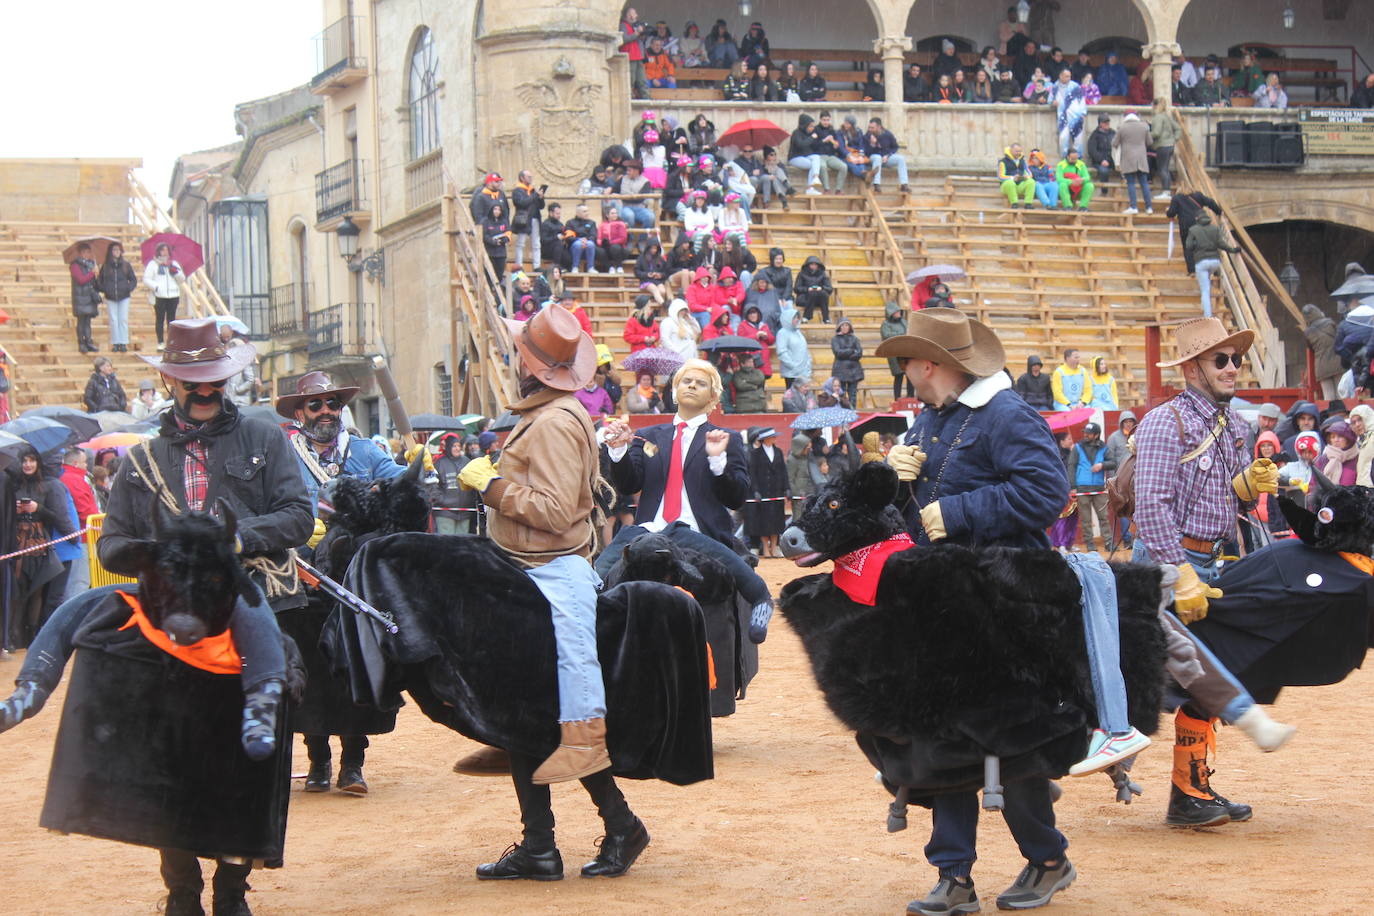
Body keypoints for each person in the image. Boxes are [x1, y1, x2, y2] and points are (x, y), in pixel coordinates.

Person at [95, 317, 311, 910]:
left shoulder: (266, 439)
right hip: (169, 628)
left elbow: (298, 515)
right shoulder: (141, 462)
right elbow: (111, 546)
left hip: (252, 602)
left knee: (249, 762)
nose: (204, 388)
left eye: (213, 376)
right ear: (170, 381)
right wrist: (170, 555)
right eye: (192, 379)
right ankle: (182, 889)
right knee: (172, 763)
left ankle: (232, 886)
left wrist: (235, 542)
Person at [878, 310, 1075, 915]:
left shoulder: (1009, 414)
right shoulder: (933, 421)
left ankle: (1047, 858)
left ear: (931, 365)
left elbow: (1048, 494)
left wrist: (961, 513)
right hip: (943, 602)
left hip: (1005, 602)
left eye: (908, 360)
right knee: (944, 739)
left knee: (1006, 742)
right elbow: (910, 515)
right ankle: (954, 874)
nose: (904, 371)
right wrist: (890, 479)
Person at [454, 305, 651, 881]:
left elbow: (559, 512)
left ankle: (612, 826)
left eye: (519, 353)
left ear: (534, 367)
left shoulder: (557, 421)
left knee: (564, 715)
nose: (512, 359)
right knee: (526, 714)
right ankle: (547, 842)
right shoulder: (546, 415)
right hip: (524, 574)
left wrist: (491, 486)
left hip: (548, 574)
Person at [1133, 317, 1296, 827]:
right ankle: (1027, 765)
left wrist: (1247, 484)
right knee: (1136, 681)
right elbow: (1152, 506)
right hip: (1168, 562)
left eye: (1236, 359)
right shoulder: (1165, 422)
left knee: (1200, 678)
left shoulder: (1233, 425)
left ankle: (1191, 792)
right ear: (1191, 367)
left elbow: (1222, 495)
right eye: (1219, 359)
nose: (1232, 368)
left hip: (1213, 561)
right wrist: (1178, 571)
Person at [276, 370, 405, 795]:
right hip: (302, 578)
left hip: (355, 583)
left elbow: (399, 491)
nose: (327, 411)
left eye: (334, 404)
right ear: (300, 413)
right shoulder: (282, 456)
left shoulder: (366, 452)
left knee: (357, 669)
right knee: (310, 671)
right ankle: (318, 759)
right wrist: (295, 531)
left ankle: (353, 763)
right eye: (316, 404)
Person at [602, 359, 775, 644]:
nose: (692, 385)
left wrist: (717, 461)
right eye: (686, 381)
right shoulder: (645, 435)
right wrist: (618, 452)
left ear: (713, 398)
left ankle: (760, 599)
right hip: (648, 529)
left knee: (728, 561)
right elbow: (629, 484)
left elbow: (736, 496)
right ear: (674, 390)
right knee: (600, 569)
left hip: (697, 530)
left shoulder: (726, 438)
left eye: (701, 383)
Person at [4, 447, 76, 650]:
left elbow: (55, 517)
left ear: (38, 463)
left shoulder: (47, 486)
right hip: (17, 543)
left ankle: (33, 636)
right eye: (24, 461)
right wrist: (15, 510)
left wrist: (38, 508)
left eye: (32, 460)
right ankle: (13, 636)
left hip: (39, 543)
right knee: (17, 590)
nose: (28, 464)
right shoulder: (12, 485)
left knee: (38, 591)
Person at [58, 446, 98, 600]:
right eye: (84, 462)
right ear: (75, 463)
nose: (86, 465)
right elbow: (85, 510)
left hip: (76, 536)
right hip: (82, 536)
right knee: (79, 582)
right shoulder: (74, 479)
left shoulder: (66, 477)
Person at [1071, 422, 1116, 553]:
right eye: (1085, 432)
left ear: (1096, 435)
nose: (1085, 435)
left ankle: (1108, 542)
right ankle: (1090, 544)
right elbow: (1071, 466)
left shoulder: (1104, 447)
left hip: (1098, 488)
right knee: (1086, 519)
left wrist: (1102, 465)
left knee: (1104, 517)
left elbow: (1113, 463)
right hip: (1082, 488)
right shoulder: (1077, 447)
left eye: (1088, 433)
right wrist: (1073, 486)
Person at [1185, 213, 1239, 319]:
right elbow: (1221, 244)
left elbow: (1188, 246)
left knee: (1205, 290)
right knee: (1207, 282)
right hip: (1215, 262)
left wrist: (1197, 244)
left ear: (1197, 219)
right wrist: (1233, 250)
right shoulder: (1215, 228)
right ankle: (1206, 306)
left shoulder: (1193, 230)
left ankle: (1207, 315)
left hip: (1201, 262)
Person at [1165, 186, 1223, 273]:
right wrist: (1218, 212)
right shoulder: (1198, 195)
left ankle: (1192, 270)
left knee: (1187, 248)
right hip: (1199, 224)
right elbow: (1210, 202)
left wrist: (1167, 211)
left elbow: (1171, 213)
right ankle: (1212, 269)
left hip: (1185, 226)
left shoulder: (1177, 198)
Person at [433, 434, 481, 534]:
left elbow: (473, 481)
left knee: (462, 544)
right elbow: (433, 485)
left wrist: (472, 500)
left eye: (459, 446)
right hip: (445, 512)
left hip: (465, 511)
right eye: (454, 446)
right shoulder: (439, 463)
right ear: (449, 447)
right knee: (447, 542)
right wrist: (442, 500)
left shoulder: (466, 461)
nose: (457, 448)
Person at [1104, 410, 1137, 549]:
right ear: (1121, 423)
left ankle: (1135, 538)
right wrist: (1112, 481)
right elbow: (1109, 459)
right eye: (1126, 422)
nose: (1129, 424)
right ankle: (1127, 540)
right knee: (1123, 507)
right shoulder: (1113, 438)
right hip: (1121, 479)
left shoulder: (1139, 436)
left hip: (1136, 478)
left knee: (1136, 509)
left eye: (1131, 422)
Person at [97, 241, 137, 352]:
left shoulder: (126, 265)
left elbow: (133, 279)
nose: (117, 252)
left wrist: (128, 288)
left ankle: (123, 342)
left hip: (124, 296)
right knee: (113, 320)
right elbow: (99, 281)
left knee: (123, 319)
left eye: (118, 250)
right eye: (114, 250)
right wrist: (105, 289)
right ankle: (115, 342)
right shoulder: (105, 266)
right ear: (110, 252)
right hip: (110, 296)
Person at [142, 242, 183, 348]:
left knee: (171, 319)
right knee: (160, 319)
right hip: (159, 295)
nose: (165, 252)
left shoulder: (173, 263)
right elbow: (146, 279)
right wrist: (156, 287)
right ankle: (160, 341)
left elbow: (182, 279)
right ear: (159, 251)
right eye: (162, 250)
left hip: (173, 294)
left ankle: (171, 341)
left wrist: (176, 273)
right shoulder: (153, 264)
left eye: (166, 250)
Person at [1113, 111, 1152, 215]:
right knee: (1144, 183)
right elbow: (1150, 142)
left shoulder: (1122, 127)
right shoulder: (1144, 126)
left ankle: (1133, 206)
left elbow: (1114, 143)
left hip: (1128, 158)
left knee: (1131, 183)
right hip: (1142, 159)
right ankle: (1149, 207)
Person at [1302, 304, 1342, 398]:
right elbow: (1339, 338)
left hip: (1321, 366)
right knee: (1340, 393)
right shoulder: (1330, 323)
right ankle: (1342, 412)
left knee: (1328, 396)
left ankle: (1331, 413)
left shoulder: (1307, 332)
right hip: (1337, 362)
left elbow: (1310, 348)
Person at [861, 117, 909, 193]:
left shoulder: (887, 134)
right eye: (869, 127)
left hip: (885, 158)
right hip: (873, 157)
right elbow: (866, 152)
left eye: (872, 128)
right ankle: (877, 184)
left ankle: (904, 184)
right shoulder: (867, 136)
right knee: (877, 157)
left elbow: (895, 147)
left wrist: (888, 155)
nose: (870, 129)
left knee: (901, 159)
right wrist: (872, 144)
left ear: (879, 127)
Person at [69, 241, 101, 353]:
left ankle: (89, 342)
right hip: (80, 296)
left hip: (89, 296)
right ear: (80, 253)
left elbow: (95, 283)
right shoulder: (75, 265)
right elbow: (81, 279)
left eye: (88, 252)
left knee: (87, 322)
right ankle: (81, 343)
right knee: (81, 321)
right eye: (84, 252)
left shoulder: (92, 264)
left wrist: (97, 275)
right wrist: (92, 273)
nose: (86, 254)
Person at [511, 171, 546, 270]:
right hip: (524, 219)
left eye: (531, 176)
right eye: (528, 176)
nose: (531, 178)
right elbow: (522, 203)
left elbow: (541, 206)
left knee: (536, 244)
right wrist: (535, 196)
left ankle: (537, 266)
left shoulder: (533, 191)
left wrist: (541, 198)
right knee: (521, 243)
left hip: (535, 218)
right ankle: (519, 265)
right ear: (522, 178)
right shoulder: (518, 190)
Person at [1148, 98, 1180, 201]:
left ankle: (1166, 192)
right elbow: (1178, 128)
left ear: (1155, 106)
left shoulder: (1157, 117)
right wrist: (1174, 139)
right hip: (1170, 145)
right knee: (1165, 169)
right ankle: (1167, 191)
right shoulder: (1167, 117)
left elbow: (1156, 132)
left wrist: (1146, 134)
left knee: (1162, 169)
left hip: (1162, 145)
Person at [830, 319, 864, 408]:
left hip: (854, 371)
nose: (845, 327)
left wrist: (847, 354)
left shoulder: (855, 339)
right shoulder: (835, 339)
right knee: (842, 394)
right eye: (842, 325)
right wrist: (851, 351)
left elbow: (859, 353)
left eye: (847, 325)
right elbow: (838, 353)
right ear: (839, 327)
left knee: (853, 394)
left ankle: (853, 411)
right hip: (840, 370)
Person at [776, 306, 811, 390]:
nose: (797, 319)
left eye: (797, 317)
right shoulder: (782, 333)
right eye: (794, 317)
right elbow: (782, 352)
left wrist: (808, 365)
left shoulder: (798, 332)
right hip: (791, 373)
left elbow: (804, 349)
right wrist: (793, 366)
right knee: (792, 398)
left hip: (803, 372)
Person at [619, 7, 649, 98]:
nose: (636, 16)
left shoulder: (632, 26)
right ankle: (628, 98)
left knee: (642, 80)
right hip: (630, 56)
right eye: (634, 13)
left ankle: (646, 98)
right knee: (630, 80)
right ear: (629, 15)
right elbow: (624, 39)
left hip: (638, 56)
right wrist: (637, 33)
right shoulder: (623, 25)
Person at [482, 204, 513, 289]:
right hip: (490, 252)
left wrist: (504, 239)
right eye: (495, 209)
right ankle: (490, 288)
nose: (497, 211)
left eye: (499, 210)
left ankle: (497, 290)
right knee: (489, 273)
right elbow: (484, 235)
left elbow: (508, 233)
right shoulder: (486, 221)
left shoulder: (504, 221)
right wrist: (493, 241)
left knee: (499, 273)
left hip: (501, 253)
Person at [738, 303, 774, 377]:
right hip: (752, 360)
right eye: (750, 313)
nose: (753, 315)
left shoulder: (764, 325)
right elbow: (741, 341)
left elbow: (771, 341)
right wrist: (756, 335)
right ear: (746, 315)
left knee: (763, 381)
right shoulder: (742, 326)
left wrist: (766, 336)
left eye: (754, 313)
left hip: (764, 359)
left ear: (758, 314)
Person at [660, 298, 700, 363]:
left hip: (690, 357)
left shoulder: (685, 322)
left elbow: (698, 330)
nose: (683, 312)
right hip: (676, 358)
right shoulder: (667, 322)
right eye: (682, 310)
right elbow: (665, 339)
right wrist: (676, 352)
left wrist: (691, 319)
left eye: (685, 310)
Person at [795, 256, 832, 323]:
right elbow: (797, 288)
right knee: (812, 293)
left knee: (823, 293)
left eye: (815, 264)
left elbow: (829, 288)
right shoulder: (801, 274)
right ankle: (806, 317)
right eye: (812, 264)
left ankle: (826, 318)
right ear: (808, 265)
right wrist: (807, 289)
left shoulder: (823, 274)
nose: (814, 266)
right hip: (804, 298)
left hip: (819, 299)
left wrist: (821, 288)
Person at [997, 144, 1034, 209]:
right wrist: (1012, 178)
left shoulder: (1022, 161)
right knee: (1010, 183)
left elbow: (1029, 173)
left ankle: (1028, 203)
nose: (1018, 153)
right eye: (1016, 151)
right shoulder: (1003, 162)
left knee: (1031, 182)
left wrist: (1026, 176)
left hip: (1020, 184)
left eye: (1020, 151)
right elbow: (1000, 176)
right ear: (1011, 150)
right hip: (1007, 186)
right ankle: (1014, 203)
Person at [566, 204, 598, 273]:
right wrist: (579, 239)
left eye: (587, 211)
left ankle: (590, 267)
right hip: (574, 246)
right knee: (578, 244)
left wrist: (586, 239)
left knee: (591, 244)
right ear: (578, 213)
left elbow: (593, 235)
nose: (587, 213)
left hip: (587, 243)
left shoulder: (592, 223)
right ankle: (575, 267)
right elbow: (569, 237)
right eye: (584, 211)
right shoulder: (570, 223)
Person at [1086, 114, 1115, 186]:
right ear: (1100, 123)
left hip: (1112, 160)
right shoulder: (1095, 135)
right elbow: (1092, 150)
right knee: (1104, 171)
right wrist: (1102, 160)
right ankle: (1104, 191)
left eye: (1108, 122)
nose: (1107, 124)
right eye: (1105, 122)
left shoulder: (1113, 133)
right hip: (1099, 162)